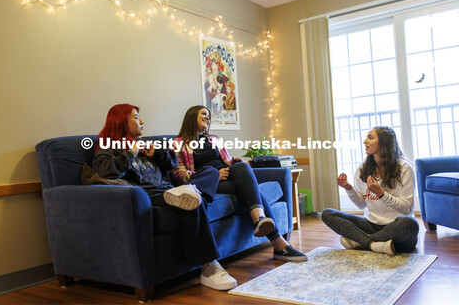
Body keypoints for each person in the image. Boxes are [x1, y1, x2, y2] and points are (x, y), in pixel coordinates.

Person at [92, 104, 237, 291]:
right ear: (121, 121)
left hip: (170, 191)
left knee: (209, 172)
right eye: (136, 117)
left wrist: (157, 153)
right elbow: (106, 171)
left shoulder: (144, 146)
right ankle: (209, 267)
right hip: (149, 197)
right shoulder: (108, 149)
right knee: (191, 203)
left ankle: (193, 192)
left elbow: (172, 164)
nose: (142, 121)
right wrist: (129, 154)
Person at [171, 105, 308, 263]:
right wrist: (215, 176)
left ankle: (260, 219)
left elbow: (226, 160)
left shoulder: (213, 139)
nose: (207, 118)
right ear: (192, 116)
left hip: (228, 175)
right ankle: (279, 244)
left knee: (241, 166)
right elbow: (179, 175)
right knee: (248, 190)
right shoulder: (178, 143)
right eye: (203, 114)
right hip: (209, 183)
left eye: (209, 116)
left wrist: (234, 162)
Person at [322, 126, 419, 255]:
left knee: (409, 224)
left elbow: (407, 208)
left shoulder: (404, 168)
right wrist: (348, 188)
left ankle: (360, 242)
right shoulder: (363, 168)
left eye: (370, 137)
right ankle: (375, 244)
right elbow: (362, 204)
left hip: (396, 228)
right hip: (371, 225)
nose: (365, 141)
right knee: (327, 214)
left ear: (384, 142)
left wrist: (381, 194)